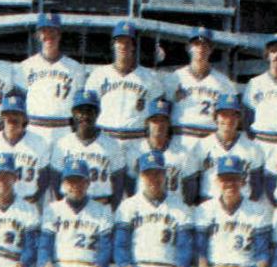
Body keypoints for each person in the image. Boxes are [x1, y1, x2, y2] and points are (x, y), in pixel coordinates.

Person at [84, 20, 165, 165]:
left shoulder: (150, 77)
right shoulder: (98, 75)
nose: (123, 46)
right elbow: (87, 109)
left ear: (133, 46)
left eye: (128, 42)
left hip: (137, 140)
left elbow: (159, 115)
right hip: (105, 138)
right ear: (113, 45)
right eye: (119, 42)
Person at [15, 12, 86, 143]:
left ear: (59, 34)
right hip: (34, 128)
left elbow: (80, 106)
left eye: (52, 31)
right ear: (38, 35)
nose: (49, 36)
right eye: (44, 31)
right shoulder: (25, 67)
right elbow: (18, 103)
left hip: (64, 128)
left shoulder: (75, 68)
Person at [49, 90, 126, 208]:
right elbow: (56, 181)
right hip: (70, 205)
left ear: (97, 113)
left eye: (89, 111)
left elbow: (119, 182)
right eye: (80, 111)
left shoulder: (112, 145)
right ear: (73, 113)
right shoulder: (62, 144)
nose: (85, 116)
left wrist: (112, 210)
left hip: (101, 205)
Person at [163, 26, 238, 148]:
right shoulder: (175, 78)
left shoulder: (224, 82)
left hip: (210, 138)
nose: (201, 48)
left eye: (205, 45)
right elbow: (163, 112)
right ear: (188, 48)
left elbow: (231, 116)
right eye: (196, 44)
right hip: (181, 137)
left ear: (211, 49)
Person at [0, 94, 51, 205]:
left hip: (27, 202)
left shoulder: (40, 143)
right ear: (2, 117)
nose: (11, 118)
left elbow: (44, 178)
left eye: (16, 114)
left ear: (24, 118)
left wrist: (35, 198)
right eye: (7, 114)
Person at [192, 93, 265, 203]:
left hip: (242, 204)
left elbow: (256, 186)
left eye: (233, 115)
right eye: (224, 114)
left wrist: (249, 205)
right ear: (216, 117)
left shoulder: (253, 148)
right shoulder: (202, 146)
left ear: (239, 118)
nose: (229, 119)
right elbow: (192, 182)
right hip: (208, 203)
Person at [126, 98, 199, 205]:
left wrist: (183, 207)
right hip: (143, 208)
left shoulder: (183, 154)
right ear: (147, 123)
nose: (159, 125)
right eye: (155, 120)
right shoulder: (135, 151)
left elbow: (191, 188)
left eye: (163, 120)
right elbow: (129, 185)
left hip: (174, 208)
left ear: (169, 123)